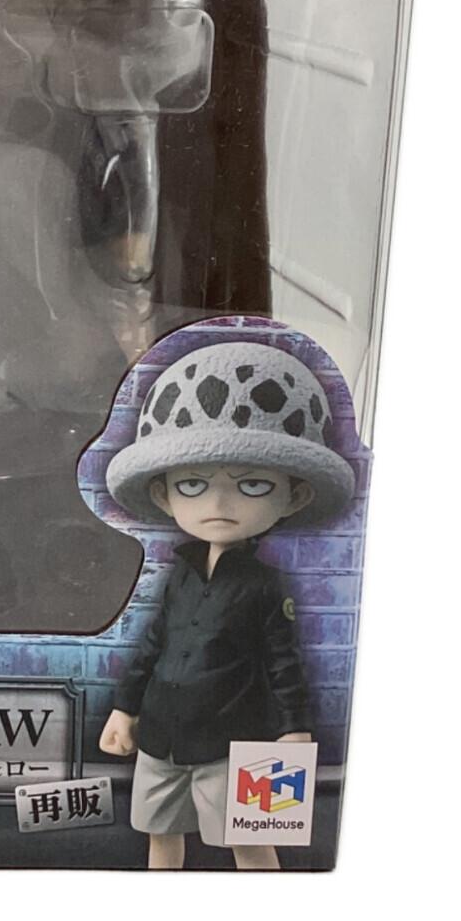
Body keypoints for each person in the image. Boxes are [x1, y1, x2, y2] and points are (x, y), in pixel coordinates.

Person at [97, 338, 354, 870]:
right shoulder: (180, 577)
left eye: (251, 484)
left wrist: (294, 729)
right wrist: (125, 709)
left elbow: (283, 662)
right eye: (193, 484)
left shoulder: (264, 585)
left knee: (252, 841)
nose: (218, 504)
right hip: (163, 736)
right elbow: (152, 646)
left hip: (238, 740)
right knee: (160, 833)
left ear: (295, 495)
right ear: (164, 494)